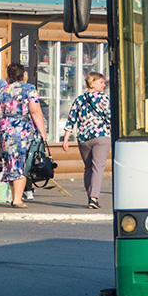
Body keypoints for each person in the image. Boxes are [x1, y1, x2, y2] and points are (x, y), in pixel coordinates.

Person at [0, 62, 46, 208]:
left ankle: (15, 197)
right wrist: (42, 130)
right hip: (23, 130)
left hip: (6, 130)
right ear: (23, 74)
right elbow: (35, 111)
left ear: (8, 75)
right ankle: (17, 199)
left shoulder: (2, 90)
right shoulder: (29, 89)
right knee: (22, 164)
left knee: (11, 164)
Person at [61, 72, 113, 210]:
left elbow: (71, 119)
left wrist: (66, 139)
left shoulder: (79, 99)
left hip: (83, 138)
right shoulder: (104, 99)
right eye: (101, 82)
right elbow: (110, 117)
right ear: (92, 83)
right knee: (98, 167)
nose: (104, 85)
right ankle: (93, 198)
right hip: (101, 135)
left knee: (89, 167)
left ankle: (90, 195)